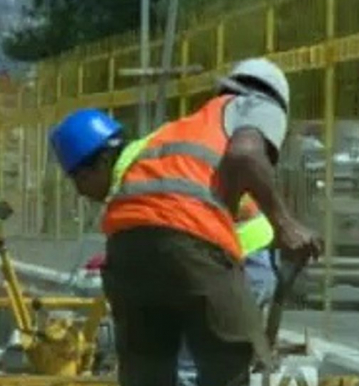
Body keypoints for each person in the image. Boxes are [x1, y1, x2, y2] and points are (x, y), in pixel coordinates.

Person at [48, 57, 323, 386]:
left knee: (147, 370)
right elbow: (245, 155)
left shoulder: (187, 125)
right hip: (194, 244)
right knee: (227, 363)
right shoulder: (256, 104)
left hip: (127, 250)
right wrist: (286, 225)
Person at [178, 195, 278, 385]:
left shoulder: (158, 172)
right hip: (251, 258)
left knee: (188, 362)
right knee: (228, 362)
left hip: (223, 261)